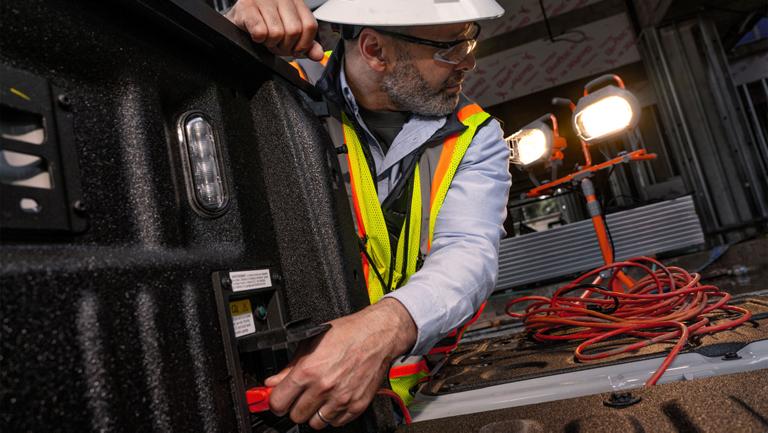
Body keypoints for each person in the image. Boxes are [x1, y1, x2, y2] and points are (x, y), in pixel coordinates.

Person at [227, 0, 511, 429]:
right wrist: (225, 37)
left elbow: (469, 253)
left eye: (471, 38)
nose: (468, 62)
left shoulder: (475, 135)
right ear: (375, 50)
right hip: (286, 400)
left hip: (417, 402)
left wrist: (382, 330)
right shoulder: (275, 91)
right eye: (450, 48)